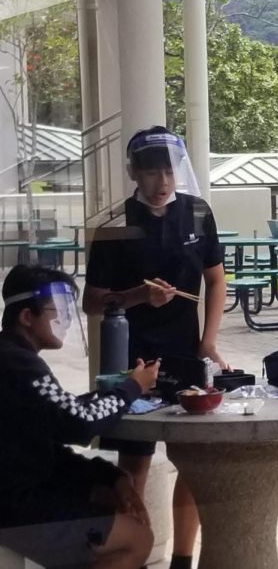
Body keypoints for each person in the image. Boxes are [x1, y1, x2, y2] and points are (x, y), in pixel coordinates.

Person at [83, 126, 229, 569]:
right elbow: (92, 300)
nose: (162, 181)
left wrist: (208, 341)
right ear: (133, 172)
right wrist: (136, 297)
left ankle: (183, 559)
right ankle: (132, 553)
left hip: (186, 350)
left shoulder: (198, 213)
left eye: (168, 170)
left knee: (192, 459)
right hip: (131, 356)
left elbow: (216, 278)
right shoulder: (115, 224)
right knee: (134, 462)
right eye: (150, 172)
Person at [0, 264, 159, 568]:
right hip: (16, 506)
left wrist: (111, 477)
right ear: (26, 317)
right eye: (55, 310)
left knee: (112, 498)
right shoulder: (17, 364)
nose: (65, 320)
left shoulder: (13, 358)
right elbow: (80, 422)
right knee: (138, 539)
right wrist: (131, 389)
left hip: (19, 491)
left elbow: (42, 445)